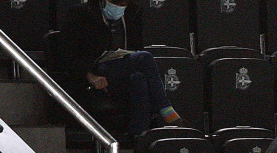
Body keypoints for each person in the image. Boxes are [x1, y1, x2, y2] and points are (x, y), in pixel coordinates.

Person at [60, 0, 184, 136]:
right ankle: (166, 111)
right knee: (145, 57)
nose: (120, 7)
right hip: (96, 69)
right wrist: (90, 75)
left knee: (139, 79)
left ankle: (139, 139)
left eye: (124, 5)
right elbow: (68, 54)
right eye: (117, 3)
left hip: (123, 67)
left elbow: (136, 48)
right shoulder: (81, 12)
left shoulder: (133, 13)